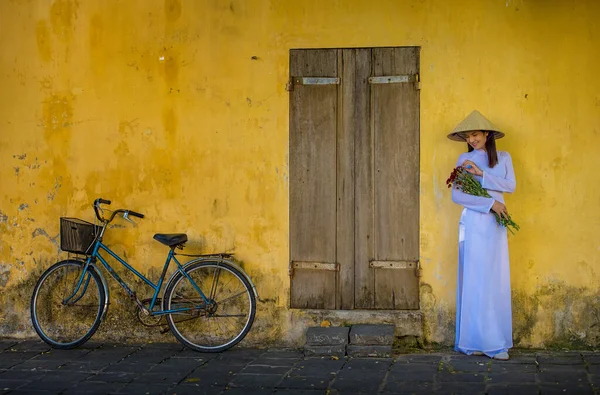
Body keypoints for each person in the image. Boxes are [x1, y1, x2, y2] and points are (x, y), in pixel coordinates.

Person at [447, 110, 516, 361]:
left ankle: (495, 341)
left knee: (494, 278)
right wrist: (490, 205)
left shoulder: (504, 158)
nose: (472, 139)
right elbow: (458, 196)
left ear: (486, 134)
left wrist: (480, 174)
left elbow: (510, 186)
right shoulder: (463, 159)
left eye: (475, 134)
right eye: (468, 136)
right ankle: (475, 340)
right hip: (475, 223)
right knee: (476, 279)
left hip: (496, 226)